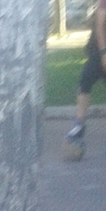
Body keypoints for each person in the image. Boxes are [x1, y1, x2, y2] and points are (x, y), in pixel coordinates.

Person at [64, 0, 106, 145]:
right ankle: (79, 125)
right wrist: (103, 53)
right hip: (99, 49)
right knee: (85, 82)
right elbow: (100, 27)